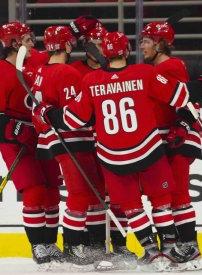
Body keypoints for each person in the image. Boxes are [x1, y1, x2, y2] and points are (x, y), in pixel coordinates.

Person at [33, 31, 202, 272]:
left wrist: (47, 113)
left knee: (132, 207)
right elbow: (182, 96)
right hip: (149, 150)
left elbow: (72, 119)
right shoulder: (145, 73)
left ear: (104, 53)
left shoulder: (92, 80)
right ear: (126, 51)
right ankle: (168, 249)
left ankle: (152, 253)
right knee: (162, 202)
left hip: (112, 156)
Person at [31, 25, 127, 271]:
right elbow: (79, 113)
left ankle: (93, 245)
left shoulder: (42, 71)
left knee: (94, 192)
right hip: (74, 140)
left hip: (62, 140)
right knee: (80, 194)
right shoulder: (68, 73)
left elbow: (39, 114)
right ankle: (74, 245)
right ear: (66, 45)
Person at [0, 21, 63, 268]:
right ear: (15, 43)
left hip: (41, 135)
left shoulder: (34, 61)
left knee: (52, 191)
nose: (32, 42)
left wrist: (75, 30)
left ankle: (50, 243)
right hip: (15, 142)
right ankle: (38, 245)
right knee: (35, 191)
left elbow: (56, 56)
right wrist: (18, 129)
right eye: (26, 38)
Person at [139, 21, 202, 271]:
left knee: (177, 197)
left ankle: (190, 248)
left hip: (178, 141)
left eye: (146, 41)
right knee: (166, 196)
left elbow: (187, 102)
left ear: (160, 43)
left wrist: (182, 127)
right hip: (166, 140)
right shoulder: (158, 67)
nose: (142, 46)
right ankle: (179, 247)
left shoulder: (171, 66)